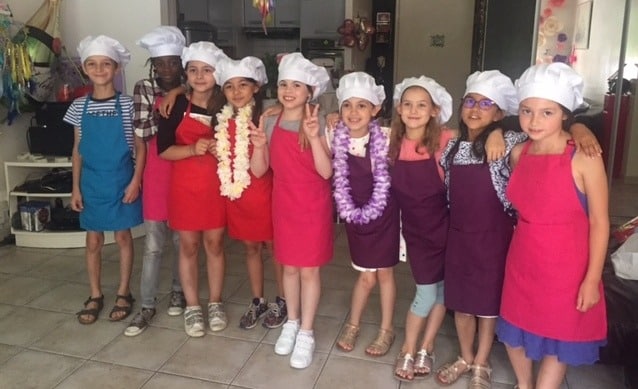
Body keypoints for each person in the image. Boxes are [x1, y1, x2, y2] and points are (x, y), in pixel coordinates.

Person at [497, 62, 608, 389]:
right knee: (513, 334)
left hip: (568, 267)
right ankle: (524, 383)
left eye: (547, 113)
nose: (534, 120)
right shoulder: (519, 153)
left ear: (564, 115)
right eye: (527, 111)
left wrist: (592, 279)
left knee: (559, 337)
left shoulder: (584, 157)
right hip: (523, 259)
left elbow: (600, 222)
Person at [435, 70, 523, 388]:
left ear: (499, 113)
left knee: (487, 306)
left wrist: (499, 131)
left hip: (493, 237)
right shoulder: (451, 148)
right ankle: (465, 355)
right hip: (458, 235)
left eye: (486, 104)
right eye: (470, 101)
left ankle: (482, 362)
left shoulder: (511, 143)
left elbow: (537, 139)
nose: (475, 109)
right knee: (461, 303)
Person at [252, 52, 332, 369]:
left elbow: (326, 172)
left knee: (309, 270)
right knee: (288, 268)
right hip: (283, 202)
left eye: (296, 85)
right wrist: (259, 146)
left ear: (309, 91)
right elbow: (260, 171)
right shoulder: (270, 120)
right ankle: (292, 323)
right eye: (284, 84)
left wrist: (313, 138)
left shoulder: (320, 122)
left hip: (313, 204)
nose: (288, 91)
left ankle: (307, 332)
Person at [63, 35, 144, 325]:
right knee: (93, 240)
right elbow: (77, 150)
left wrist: (136, 181)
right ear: (86, 68)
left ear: (117, 68)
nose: (99, 69)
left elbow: (140, 146)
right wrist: (75, 186)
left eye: (106, 64)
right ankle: (95, 293)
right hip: (91, 183)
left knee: (123, 237)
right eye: (93, 64)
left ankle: (124, 291)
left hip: (121, 180)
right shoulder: (78, 107)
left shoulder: (127, 105)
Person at [157, 41, 228, 337]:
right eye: (194, 70)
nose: (200, 76)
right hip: (185, 188)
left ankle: (214, 303)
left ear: (217, 73)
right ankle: (193, 306)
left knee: (214, 245)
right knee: (189, 246)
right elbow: (163, 150)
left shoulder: (227, 106)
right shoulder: (174, 106)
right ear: (186, 73)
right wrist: (192, 150)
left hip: (215, 187)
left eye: (207, 70)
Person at [212, 56, 286, 330]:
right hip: (237, 196)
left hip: (264, 193)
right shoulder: (221, 120)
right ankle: (258, 299)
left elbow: (298, 106)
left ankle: (283, 298)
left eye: (243, 84)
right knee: (250, 248)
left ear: (256, 87)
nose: (237, 91)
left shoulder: (267, 115)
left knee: (274, 247)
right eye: (230, 86)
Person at [328, 72, 399, 357]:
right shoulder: (333, 134)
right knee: (364, 275)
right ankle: (353, 324)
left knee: (383, 274)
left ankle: (386, 329)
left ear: (376, 109)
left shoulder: (388, 137)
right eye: (347, 105)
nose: (354, 112)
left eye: (362, 105)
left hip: (386, 217)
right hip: (355, 218)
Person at [123, 26, 187, 337]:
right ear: (152, 65)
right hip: (156, 171)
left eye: (172, 62)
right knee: (152, 245)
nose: (166, 70)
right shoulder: (143, 87)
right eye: (160, 64)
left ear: (181, 63)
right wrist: (171, 109)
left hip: (184, 170)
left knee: (181, 241)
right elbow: (143, 131)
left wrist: (175, 95)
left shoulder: (192, 86)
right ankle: (146, 304)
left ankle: (179, 291)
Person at [390, 76, 454, 381]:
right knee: (425, 295)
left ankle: (426, 348)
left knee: (443, 294)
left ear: (433, 111)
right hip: (417, 235)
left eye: (422, 105)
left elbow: (491, 137)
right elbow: (346, 128)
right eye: (408, 104)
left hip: (447, 231)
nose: (414, 110)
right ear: (399, 110)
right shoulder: (388, 141)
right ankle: (407, 348)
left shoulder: (446, 141)